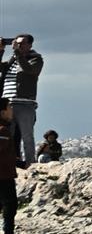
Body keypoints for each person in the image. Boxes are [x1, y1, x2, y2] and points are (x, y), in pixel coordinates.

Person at [0, 34, 44, 166]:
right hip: (8, 104)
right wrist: (1, 50)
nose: (18, 45)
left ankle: (30, 163)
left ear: (30, 45)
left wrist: (17, 53)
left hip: (25, 103)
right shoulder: (13, 59)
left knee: (27, 136)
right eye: (17, 43)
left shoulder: (36, 59)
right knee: (9, 135)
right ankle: (11, 162)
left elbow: (29, 70)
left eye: (22, 43)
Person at [0, 98, 27, 234]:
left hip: (5, 173)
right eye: (9, 108)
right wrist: (19, 163)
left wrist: (19, 163)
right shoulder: (3, 130)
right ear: (2, 112)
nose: (12, 111)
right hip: (3, 175)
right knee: (10, 205)